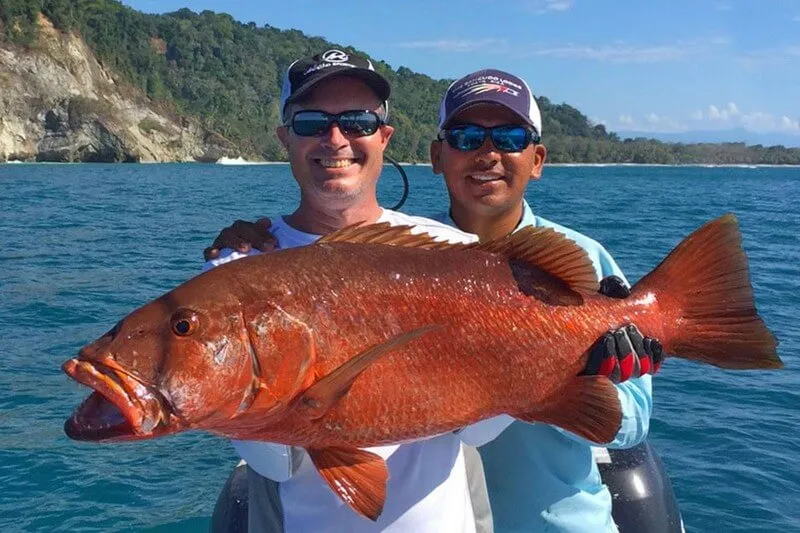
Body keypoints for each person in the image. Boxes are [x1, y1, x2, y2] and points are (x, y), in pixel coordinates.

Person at [204, 53, 661, 533]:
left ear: (385, 136)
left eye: (358, 121)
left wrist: (588, 366)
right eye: (313, 122)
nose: (335, 138)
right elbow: (273, 461)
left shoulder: (450, 250)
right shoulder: (247, 262)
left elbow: (480, 428)